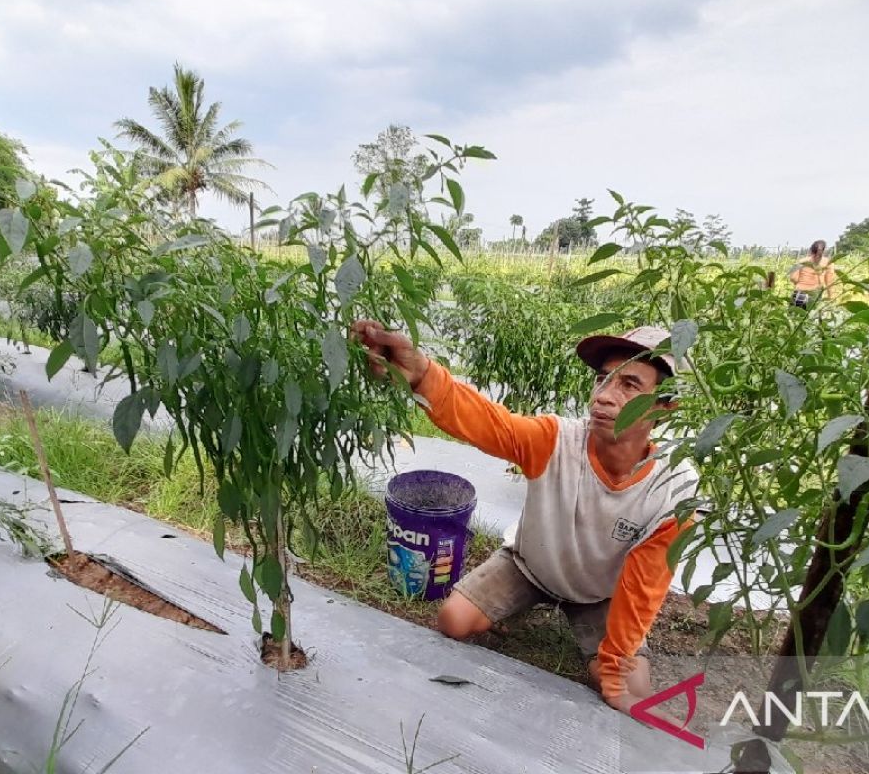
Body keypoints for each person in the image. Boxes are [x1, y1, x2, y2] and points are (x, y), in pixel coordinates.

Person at [352, 320, 701, 715]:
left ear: (667, 404)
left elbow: (644, 585)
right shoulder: (556, 440)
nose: (605, 396)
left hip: (598, 594)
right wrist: (422, 377)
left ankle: (579, 625)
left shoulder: (671, 489)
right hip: (530, 566)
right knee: (453, 620)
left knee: (631, 683)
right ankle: (519, 605)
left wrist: (614, 669)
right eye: (603, 380)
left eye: (629, 386)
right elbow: (490, 423)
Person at [788, 240, 837, 308]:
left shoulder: (802, 261)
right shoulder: (828, 263)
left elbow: (793, 277)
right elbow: (829, 282)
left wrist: (802, 283)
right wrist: (831, 298)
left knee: (793, 316)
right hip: (814, 294)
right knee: (810, 316)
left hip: (799, 293)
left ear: (811, 250)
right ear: (824, 250)